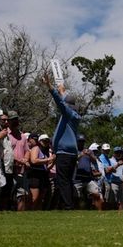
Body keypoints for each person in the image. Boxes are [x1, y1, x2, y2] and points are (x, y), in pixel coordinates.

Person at [42, 73, 81, 210]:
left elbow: (59, 101)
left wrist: (49, 86)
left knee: (63, 180)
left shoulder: (68, 113)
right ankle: (69, 204)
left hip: (64, 153)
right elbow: (64, 97)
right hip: (71, 153)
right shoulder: (74, 114)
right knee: (68, 180)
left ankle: (68, 206)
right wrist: (61, 88)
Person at [7, 111, 29, 211]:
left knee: (22, 195)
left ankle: (21, 218)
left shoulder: (23, 136)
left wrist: (25, 159)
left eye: (16, 119)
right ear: (8, 121)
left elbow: (27, 151)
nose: (15, 121)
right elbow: (5, 153)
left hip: (21, 171)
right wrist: (20, 161)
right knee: (8, 195)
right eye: (13, 119)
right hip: (8, 170)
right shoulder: (6, 134)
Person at [74, 136, 103, 210]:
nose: (81, 143)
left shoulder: (89, 151)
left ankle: (100, 212)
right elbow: (72, 161)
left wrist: (90, 155)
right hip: (77, 178)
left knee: (96, 193)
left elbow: (94, 161)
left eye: (83, 141)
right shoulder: (74, 150)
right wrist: (81, 155)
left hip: (88, 178)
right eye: (80, 141)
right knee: (77, 197)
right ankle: (77, 212)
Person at [28, 133, 55, 210]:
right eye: (44, 141)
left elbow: (47, 167)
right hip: (35, 174)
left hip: (43, 174)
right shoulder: (36, 148)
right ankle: (30, 211)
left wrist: (53, 161)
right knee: (34, 197)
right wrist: (48, 160)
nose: (46, 142)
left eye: (47, 141)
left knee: (41, 197)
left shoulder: (46, 152)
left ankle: (38, 212)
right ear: (39, 141)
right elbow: (33, 160)